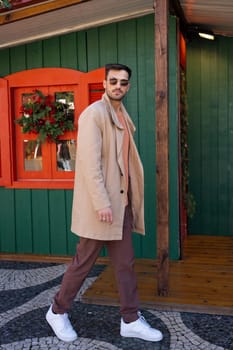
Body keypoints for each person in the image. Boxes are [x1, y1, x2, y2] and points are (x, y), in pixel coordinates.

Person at [46, 63, 163, 343]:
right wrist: (101, 203)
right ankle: (57, 311)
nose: (118, 87)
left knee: (125, 264)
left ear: (128, 86)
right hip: (102, 207)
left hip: (119, 204)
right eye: (113, 81)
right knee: (83, 261)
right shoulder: (94, 114)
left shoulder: (120, 114)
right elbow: (89, 164)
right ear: (104, 82)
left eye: (123, 82)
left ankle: (131, 319)